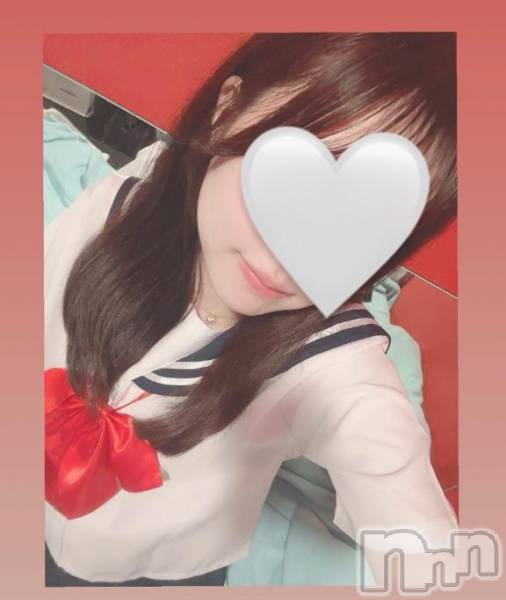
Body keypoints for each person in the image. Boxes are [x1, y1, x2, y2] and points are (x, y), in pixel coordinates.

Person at [44, 32, 458, 587]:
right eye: (288, 180)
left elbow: (411, 520)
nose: (285, 261)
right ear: (229, 107)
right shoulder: (130, 199)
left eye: (359, 227)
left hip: (162, 572)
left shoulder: (335, 368)